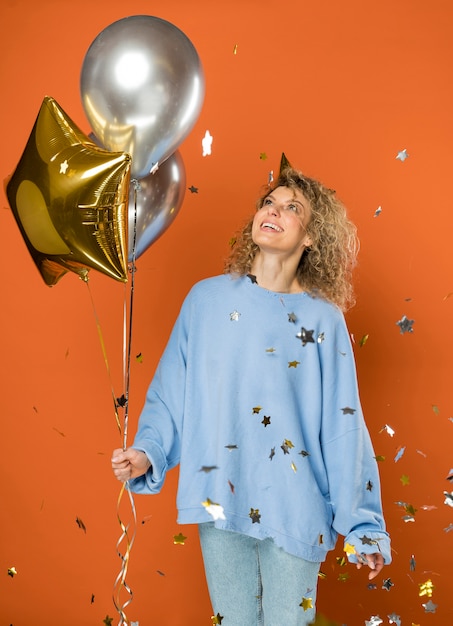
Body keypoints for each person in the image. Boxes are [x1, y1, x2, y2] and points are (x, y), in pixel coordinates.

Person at [112, 167, 391, 625]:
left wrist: (364, 525)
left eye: (291, 208)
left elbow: (345, 425)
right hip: (220, 492)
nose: (274, 211)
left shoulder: (324, 320)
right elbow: (172, 389)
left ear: (311, 238)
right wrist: (149, 451)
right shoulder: (206, 301)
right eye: (269, 203)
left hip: (297, 500)